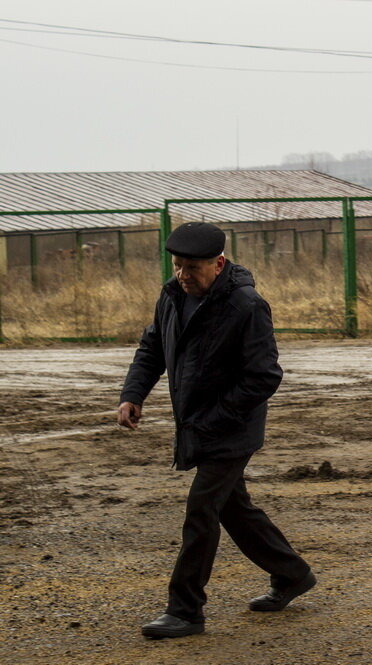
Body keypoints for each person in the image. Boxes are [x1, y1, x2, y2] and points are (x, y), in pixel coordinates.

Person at [117, 221, 315, 639]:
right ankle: (292, 574)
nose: (184, 276)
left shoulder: (246, 305)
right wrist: (132, 394)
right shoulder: (172, 296)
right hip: (196, 425)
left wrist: (216, 418)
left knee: (201, 510)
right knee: (233, 508)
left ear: (218, 263)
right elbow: (152, 347)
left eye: (193, 268)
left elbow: (263, 376)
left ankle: (185, 610)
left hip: (231, 429)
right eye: (178, 266)